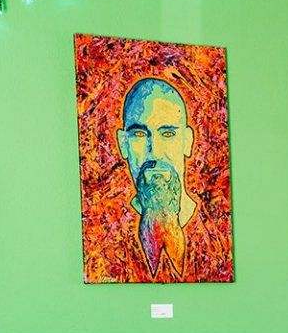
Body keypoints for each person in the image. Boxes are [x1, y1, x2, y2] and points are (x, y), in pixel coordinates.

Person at [88, 76, 231, 283]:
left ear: (187, 142)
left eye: (168, 134)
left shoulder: (218, 232)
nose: (154, 151)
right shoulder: (103, 238)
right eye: (139, 134)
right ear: (123, 144)